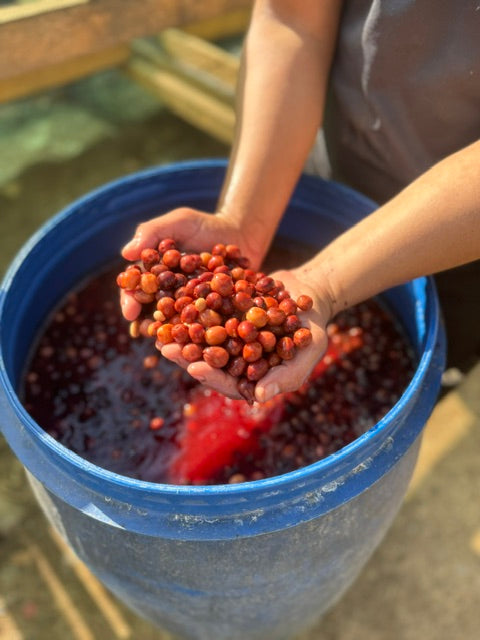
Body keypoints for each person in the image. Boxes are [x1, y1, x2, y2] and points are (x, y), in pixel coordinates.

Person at [121, 0, 480, 403]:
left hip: (460, 241)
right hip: (336, 165)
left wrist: (324, 283)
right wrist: (245, 217)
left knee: (437, 354)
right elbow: (292, 17)